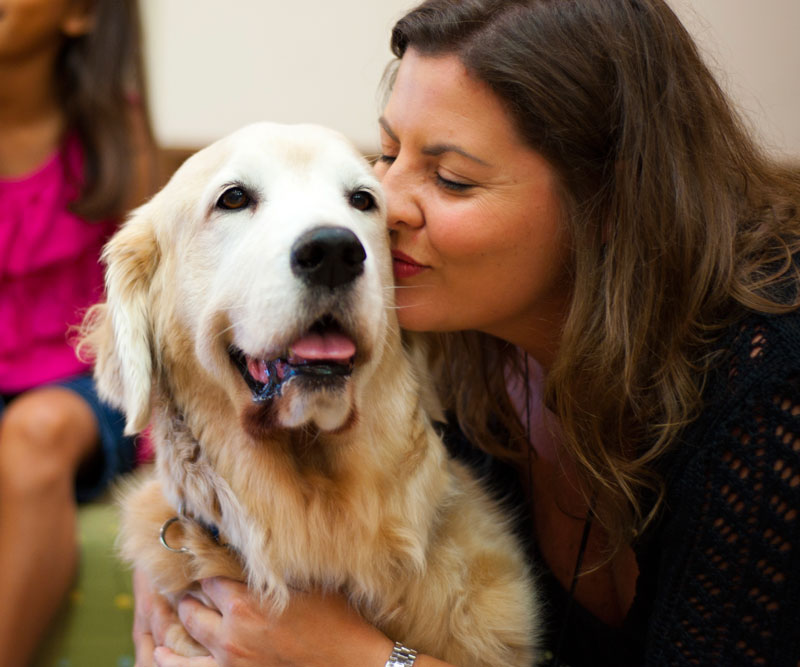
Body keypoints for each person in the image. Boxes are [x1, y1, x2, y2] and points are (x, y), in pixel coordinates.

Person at [134, 0, 800, 666]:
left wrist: (359, 659)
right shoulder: (455, 331)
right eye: (387, 153)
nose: (383, 203)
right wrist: (182, 552)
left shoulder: (770, 396)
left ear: (608, 201)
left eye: (450, 178)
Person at [0, 0, 157, 664]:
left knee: (34, 433)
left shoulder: (113, 135)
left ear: (80, 15)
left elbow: (151, 298)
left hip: (80, 385)